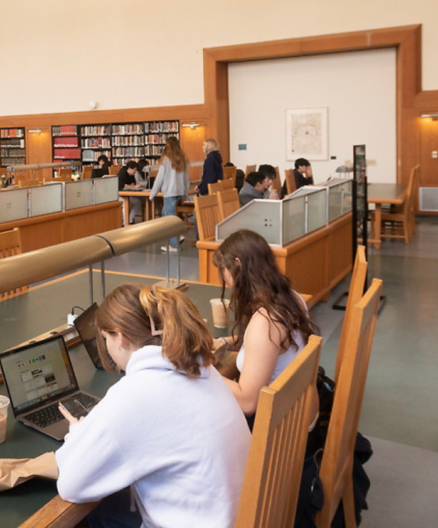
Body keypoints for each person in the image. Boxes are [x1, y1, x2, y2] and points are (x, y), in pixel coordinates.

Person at [53, 284, 250, 528]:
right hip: (237, 516)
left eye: (106, 339)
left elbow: (71, 484)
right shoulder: (202, 367)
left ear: (120, 337)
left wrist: (78, 434)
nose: (108, 349)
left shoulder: (134, 394)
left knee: (89, 516)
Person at [211, 229, 319, 415]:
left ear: (238, 265)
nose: (223, 279)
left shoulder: (265, 321)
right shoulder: (292, 298)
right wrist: (225, 342)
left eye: (223, 269)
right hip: (299, 419)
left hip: (277, 431)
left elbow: (247, 404)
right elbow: (265, 347)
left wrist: (199, 368)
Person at [148, 137, 189, 252]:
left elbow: (159, 179)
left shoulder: (166, 160)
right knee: (166, 214)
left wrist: (152, 194)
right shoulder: (182, 159)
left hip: (169, 192)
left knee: (170, 219)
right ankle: (178, 236)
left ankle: (174, 245)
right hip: (179, 191)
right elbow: (186, 177)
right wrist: (185, 191)